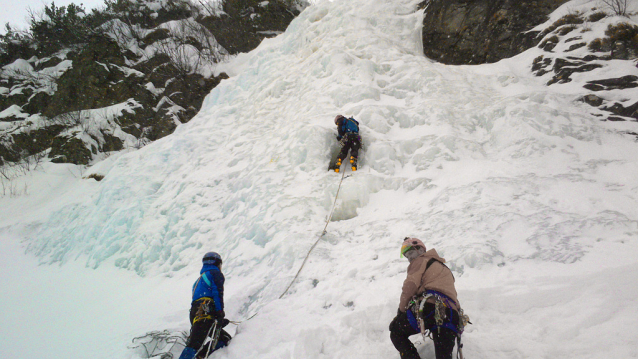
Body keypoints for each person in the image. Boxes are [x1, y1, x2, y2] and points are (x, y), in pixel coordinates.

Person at [389, 238, 467, 359]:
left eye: (410, 253)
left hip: (430, 310)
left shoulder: (420, 261)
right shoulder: (444, 268)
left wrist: (401, 311)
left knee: (396, 331)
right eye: (406, 256)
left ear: (420, 250)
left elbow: (410, 286)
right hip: (451, 316)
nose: (409, 258)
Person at [178, 252, 232, 359]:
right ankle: (198, 356)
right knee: (195, 344)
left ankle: (200, 356)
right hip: (205, 310)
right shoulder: (215, 274)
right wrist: (220, 313)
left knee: (224, 338)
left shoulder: (199, 280)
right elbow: (217, 293)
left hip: (197, 313)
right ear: (218, 263)